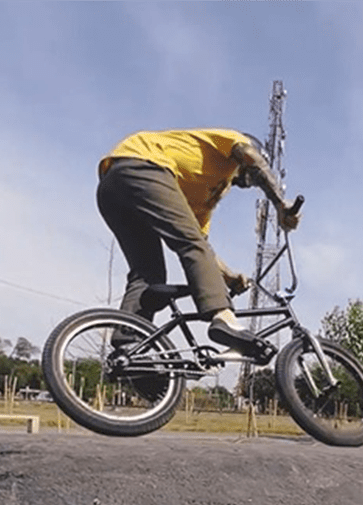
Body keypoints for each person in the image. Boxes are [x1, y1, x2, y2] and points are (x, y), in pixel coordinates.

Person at [96, 128, 301, 358]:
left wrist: (229, 276)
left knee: (147, 273)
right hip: (145, 164)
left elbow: (201, 244)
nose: (250, 182)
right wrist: (280, 203)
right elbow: (249, 157)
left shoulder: (207, 196)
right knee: (190, 246)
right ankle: (223, 318)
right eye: (252, 176)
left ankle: (130, 346)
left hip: (112, 187)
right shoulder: (235, 144)